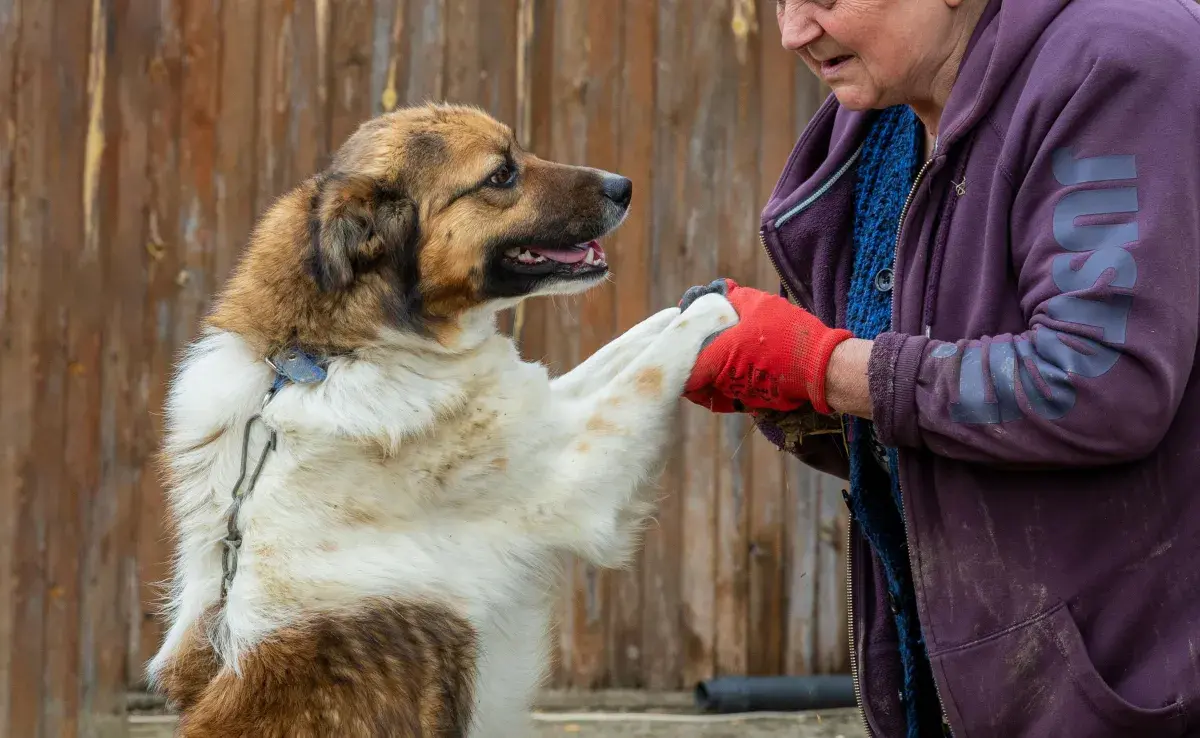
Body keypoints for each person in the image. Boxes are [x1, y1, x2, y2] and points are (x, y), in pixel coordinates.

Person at [678, 1, 1200, 736]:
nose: (793, 30)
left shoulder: (1115, 61)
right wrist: (797, 395)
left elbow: (1100, 383)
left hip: (1132, 693)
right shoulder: (886, 116)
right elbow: (937, 424)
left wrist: (828, 369)